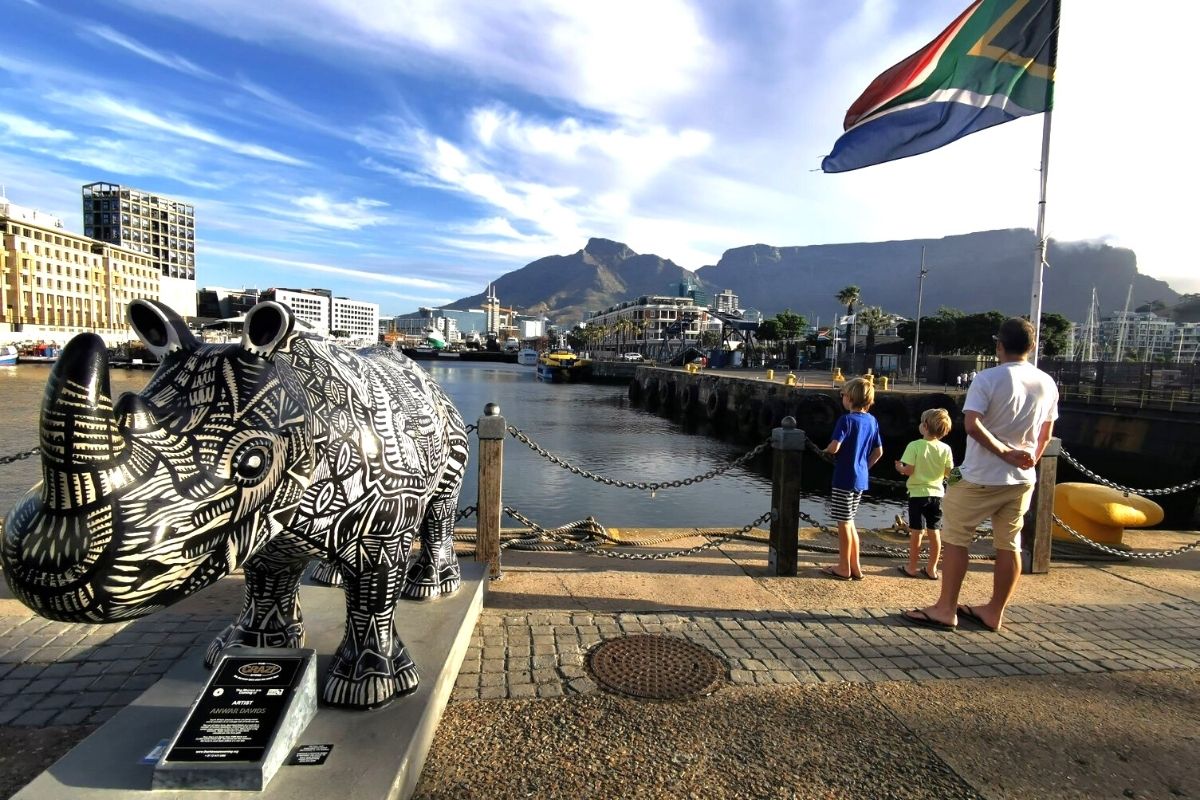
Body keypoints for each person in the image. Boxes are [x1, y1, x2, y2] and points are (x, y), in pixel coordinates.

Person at [902, 318, 1059, 632]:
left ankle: (946, 609)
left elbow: (973, 425)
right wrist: (1028, 459)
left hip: (980, 476)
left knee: (957, 539)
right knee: (1009, 544)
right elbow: (1046, 432)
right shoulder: (1047, 382)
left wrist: (1004, 453)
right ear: (1032, 346)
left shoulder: (987, 379)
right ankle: (994, 612)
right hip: (1022, 479)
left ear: (999, 345)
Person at [821, 377, 883, 580]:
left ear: (849, 398)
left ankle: (843, 567)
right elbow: (878, 452)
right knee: (851, 522)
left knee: (843, 523)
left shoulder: (846, 420)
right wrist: (865, 466)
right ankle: (855, 566)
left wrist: (825, 451)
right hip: (861, 479)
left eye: (843, 395)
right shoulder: (872, 421)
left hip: (844, 478)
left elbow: (835, 446)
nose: (842, 398)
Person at [894, 408, 954, 580]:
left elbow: (909, 470)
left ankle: (912, 567)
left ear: (925, 426)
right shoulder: (946, 449)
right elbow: (949, 473)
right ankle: (932, 569)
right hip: (937, 495)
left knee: (916, 532)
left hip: (917, 494)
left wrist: (900, 468)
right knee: (934, 532)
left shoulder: (915, 446)